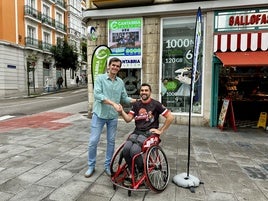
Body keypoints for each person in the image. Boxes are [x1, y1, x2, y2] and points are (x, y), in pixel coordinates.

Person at [85, 57, 137, 178]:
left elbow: (124, 98)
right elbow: (98, 95)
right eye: (113, 65)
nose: (115, 67)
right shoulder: (100, 79)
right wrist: (113, 103)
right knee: (93, 141)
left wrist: (138, 101)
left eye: (117, 66)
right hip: (99, 115)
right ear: (109, 66)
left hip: (112, 117)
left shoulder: (120, 82)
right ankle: (91, 166)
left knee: (111, 142)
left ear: (119, 68)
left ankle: (108, 166)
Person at [119, 83, 174, 183]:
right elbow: (128, 119)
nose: (144, 92)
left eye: (146, 90)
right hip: (137, 131)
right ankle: (132, 172)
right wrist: (121, 111)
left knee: (134, 150)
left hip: (150, 133)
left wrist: (161, 130)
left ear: (150, 92)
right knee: (126, 149)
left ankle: (141, 171)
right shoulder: (136, 105)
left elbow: (170, 117)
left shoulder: (156, 104)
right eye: (142, 90)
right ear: (140, 92)